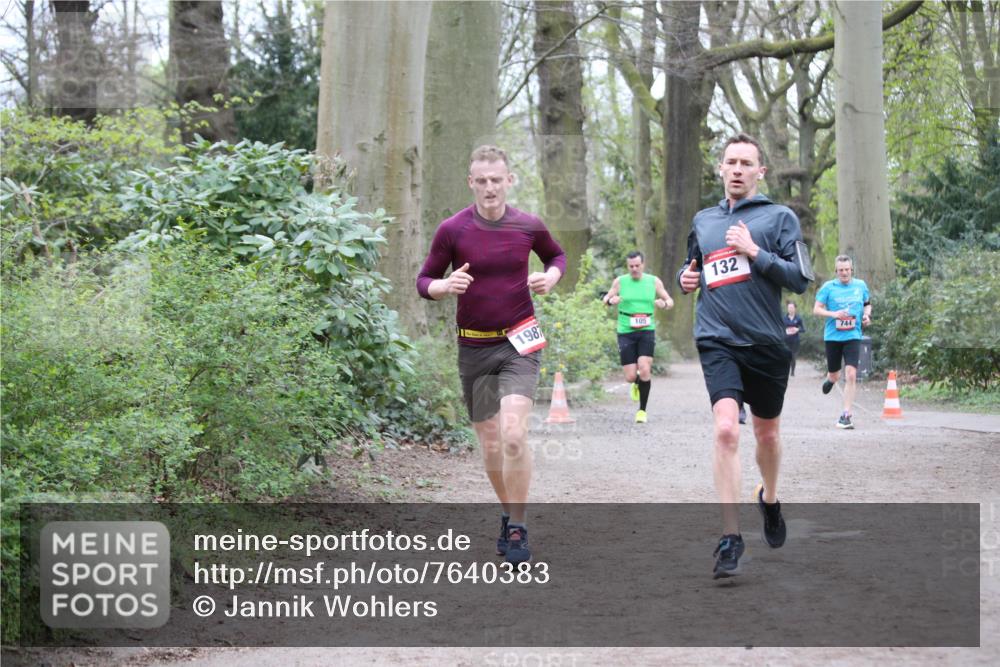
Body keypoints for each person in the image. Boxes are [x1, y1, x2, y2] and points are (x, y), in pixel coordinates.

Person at [416, 145, 565, 565]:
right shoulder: (453, 230)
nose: (489, 188)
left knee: (514, 435)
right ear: (471, 183)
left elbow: (556, 254)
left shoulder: (527, 225)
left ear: (509, 180)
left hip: (519, 342)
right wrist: (442, 288)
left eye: (496, 179)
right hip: (474, 346)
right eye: (481, 181)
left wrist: (551, 276)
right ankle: (506, 512)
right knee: (492, 443)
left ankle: (517, 526)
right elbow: (424, 279)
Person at [676, 133, 812, 579]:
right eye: (730, 162)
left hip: (767, 344)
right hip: (717, 339)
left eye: (745, 163)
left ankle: (769, 498)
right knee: (725, 432)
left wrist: (755, 252)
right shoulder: (703, 220)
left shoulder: (780, 217)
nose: (736, 169)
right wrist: (685, 279)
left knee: (766, 436)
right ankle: (730, 537)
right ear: (720, 169)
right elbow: (693, 266)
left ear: (760, 172)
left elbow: (800, 279)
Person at [601, 251, 674, 423]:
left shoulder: (653, 281)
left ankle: (642, 411)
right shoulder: (620, 281)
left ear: (643, 264)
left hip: (646, 329)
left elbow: (670, 301)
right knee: (630, 376)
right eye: (631, 266)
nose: (634, 269)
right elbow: (606, 298)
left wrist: (663, 304)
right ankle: (636, 383)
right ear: (628, 266)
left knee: (645, 367)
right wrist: (611, 301)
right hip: (626, 331)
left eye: (637, 265)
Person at [813, 255, 871, 430]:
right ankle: (831, 379)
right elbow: (816, 309)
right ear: (836, 271)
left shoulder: (860, 286)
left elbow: (867, 304)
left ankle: (846, 415)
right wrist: (834, 314)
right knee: (835, 375)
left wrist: (867, 315)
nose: (844, 273)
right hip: (833, 337)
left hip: (853, 335)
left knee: (851, 374)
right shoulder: (828, 287)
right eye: (841, 270)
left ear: (851, 270)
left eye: (847, 269)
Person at [783, 301, 805, 376]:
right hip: (786, 340)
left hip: (795, 341)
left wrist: (797, 329)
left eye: (792, 307)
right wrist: (784, 331)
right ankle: (785, 371)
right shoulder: (784, 318)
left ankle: (792, 372)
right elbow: (780, 328)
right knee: (786, 356)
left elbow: (803, 329)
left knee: (793, 356)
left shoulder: (798, 318)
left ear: (795, 308)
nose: (790, 309)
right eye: (789, 307)